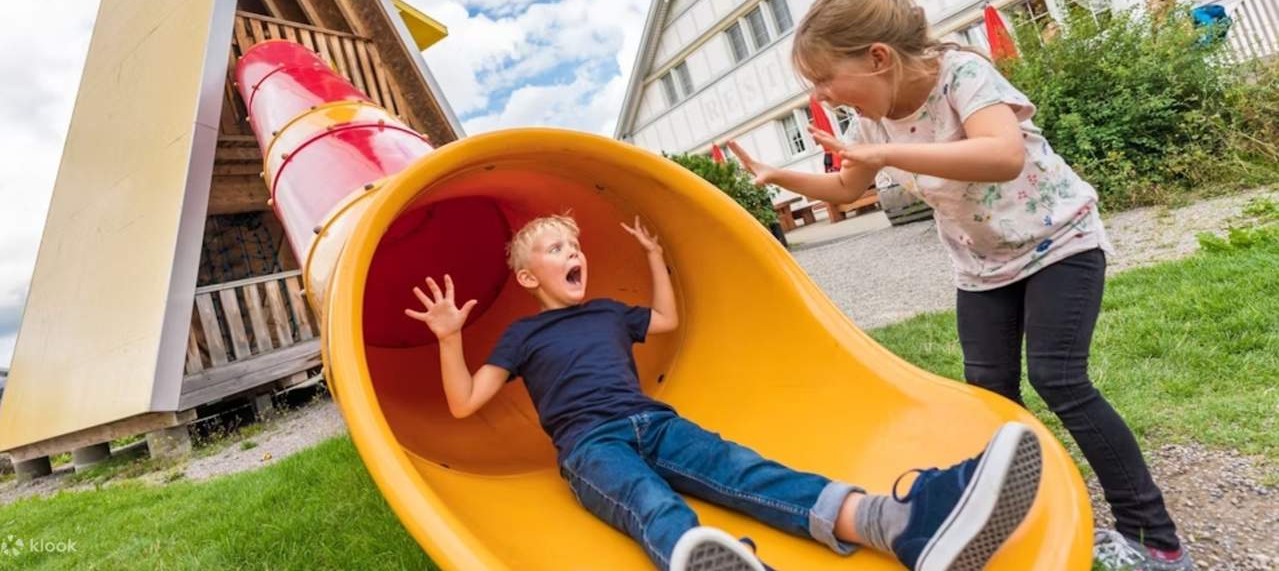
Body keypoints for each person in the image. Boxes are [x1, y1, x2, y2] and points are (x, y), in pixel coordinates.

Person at [728, 0, 1192, 571]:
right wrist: (779, 175)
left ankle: (1155, 539)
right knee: (987, 399)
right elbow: (848, 188)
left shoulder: (962, 75)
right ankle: (1003, 514)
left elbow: (1002, 154)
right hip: (982, 268)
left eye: (824, 79)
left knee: (1059, 379)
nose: (819, 96)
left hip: (1058, 241)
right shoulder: (873, 124)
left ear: (878, 58)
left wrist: (889, 158)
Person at [405, 213, 1043, 571]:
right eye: (554, 248)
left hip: (653, 420)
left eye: (574, 244)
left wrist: (655, 257)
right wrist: (448, 337)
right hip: (588, 445)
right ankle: (708, 563)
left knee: (745, 470)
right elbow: (465, 402)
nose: (572, 252)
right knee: (645, 500)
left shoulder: (606, 311)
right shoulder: (521, 334)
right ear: (524, 274)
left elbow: (666, 323)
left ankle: (899, 523)